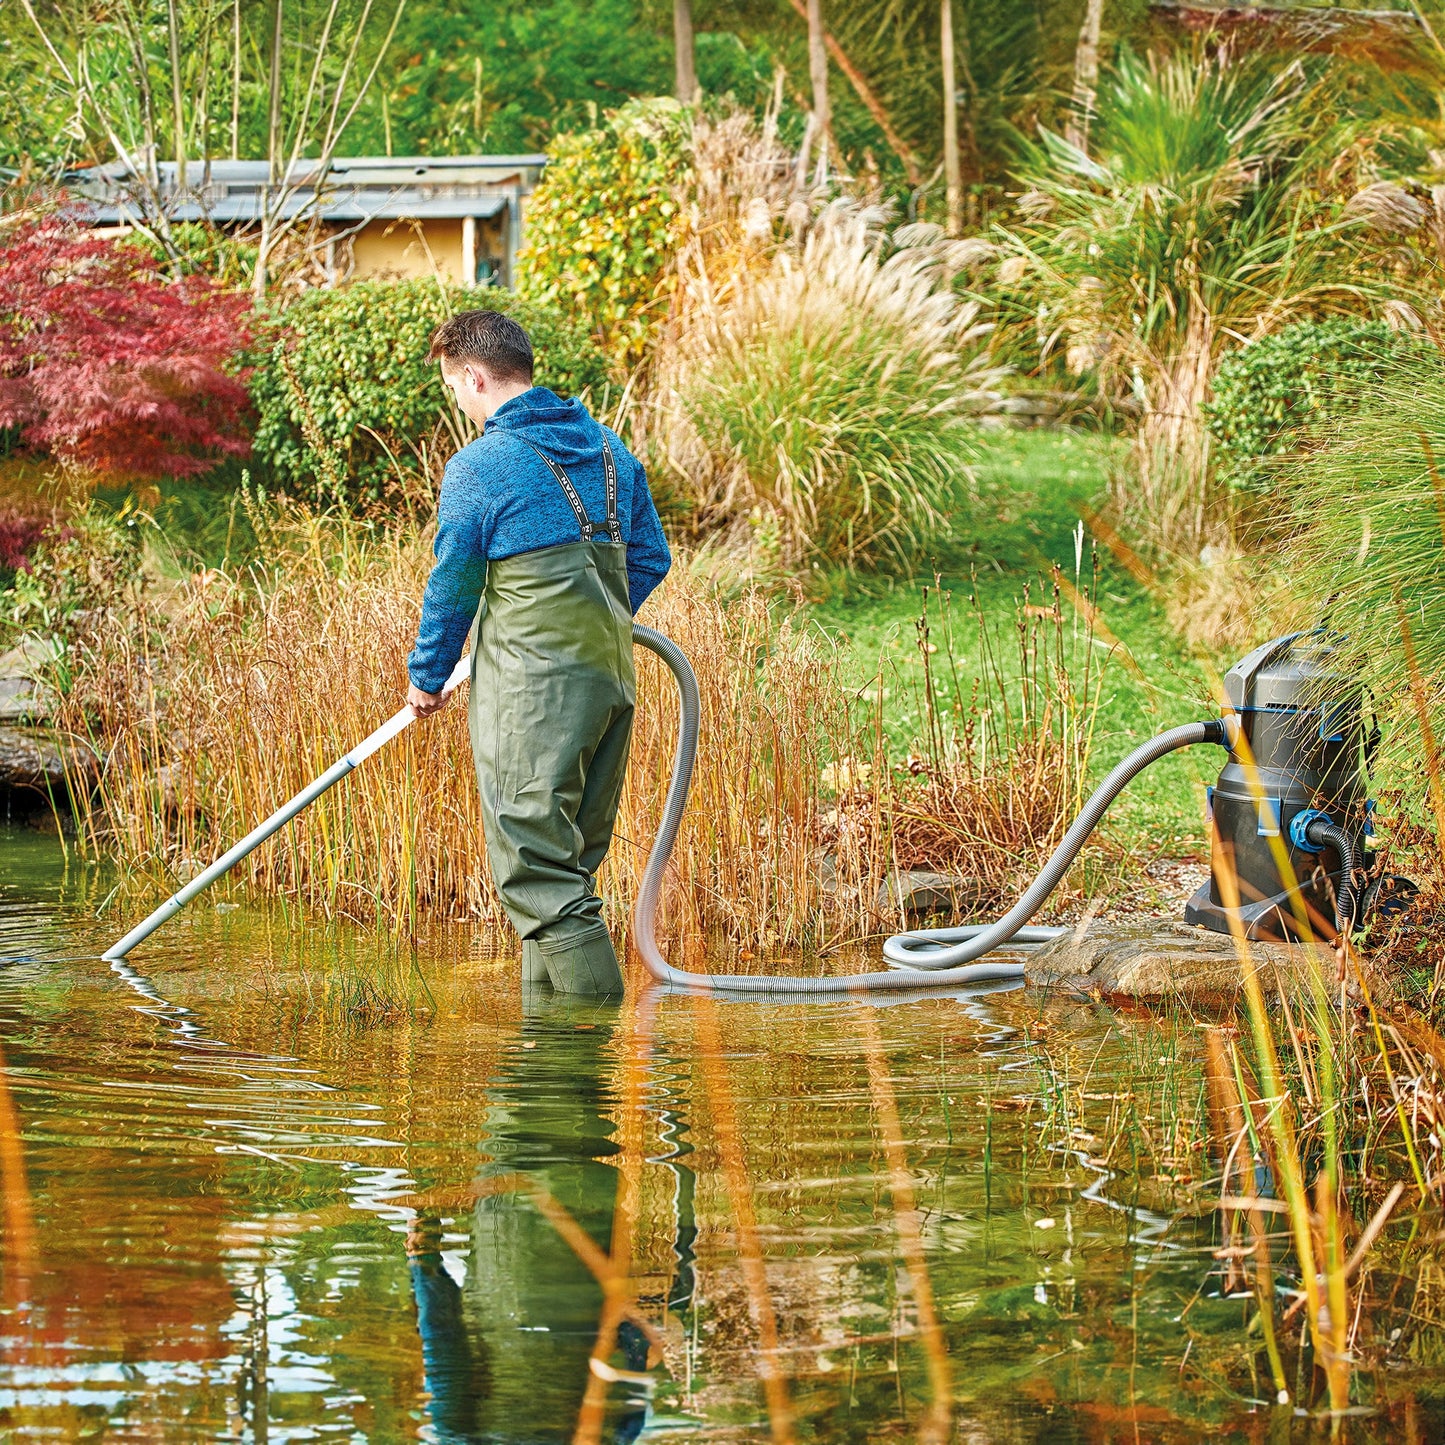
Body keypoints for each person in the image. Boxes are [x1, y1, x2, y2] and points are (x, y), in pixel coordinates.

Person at [406, 310, 671, 995]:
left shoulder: (480, 466)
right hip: (608, 679)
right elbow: (650, 557)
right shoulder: (610, 451)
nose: (458, 403)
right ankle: (547, 1045)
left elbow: (454, 583)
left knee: (536, 867)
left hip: (532, 695)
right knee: (566, 867)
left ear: (474, 376)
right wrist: (589, 621)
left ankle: (591, 1035)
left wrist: (427, 675)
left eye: (454, 388)